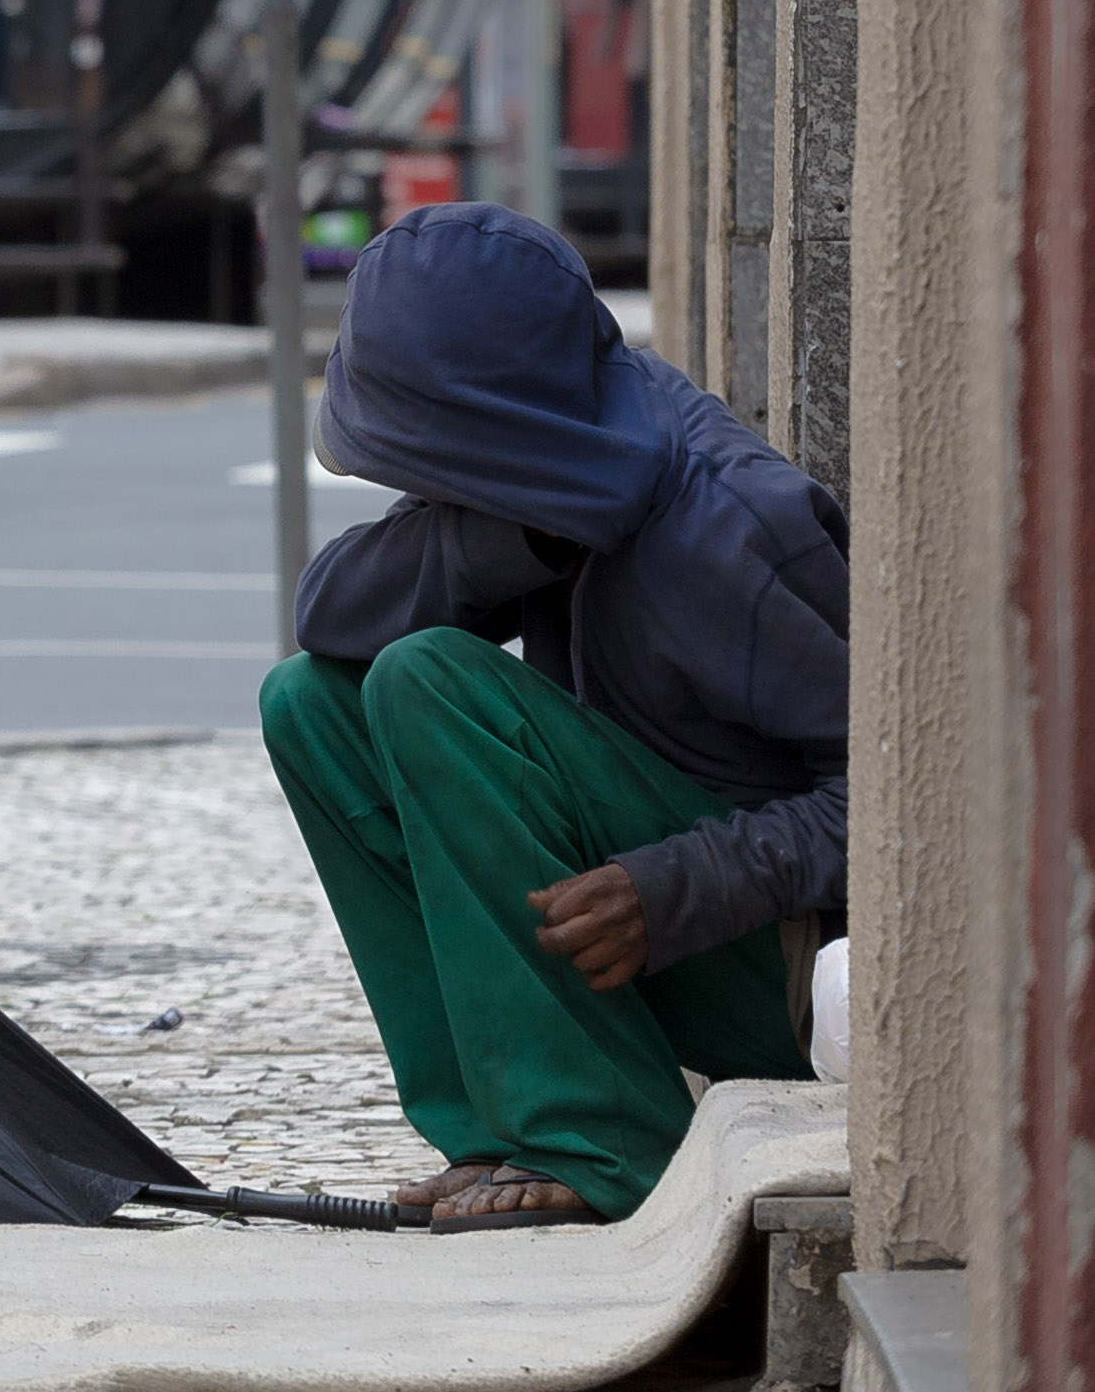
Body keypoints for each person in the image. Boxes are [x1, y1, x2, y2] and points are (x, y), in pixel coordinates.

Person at [260, 204, 841, 1229]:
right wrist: (505, 543)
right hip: (651, 920)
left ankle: (605, 1142)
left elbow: (912, 807)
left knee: (429, 681)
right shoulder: (540, 468)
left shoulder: (731, 527)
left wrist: (681, 889)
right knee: (307, 702)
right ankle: (498, 1125)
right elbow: (326, 618)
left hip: (781, 966)